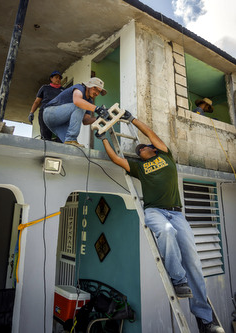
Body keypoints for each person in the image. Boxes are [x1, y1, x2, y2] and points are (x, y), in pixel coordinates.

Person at [95, 111, 224, 333]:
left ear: (152, 149)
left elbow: (150, 133)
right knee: (166, 232)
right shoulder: (138, 168)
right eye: (137, 151)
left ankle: (204, 319)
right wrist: (104, 137)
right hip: (155, 211)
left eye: (141, 148)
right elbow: (116, 159)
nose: (138, 151)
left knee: (193, 260)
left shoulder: (165, 155)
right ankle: (178, 279)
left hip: (177, 213)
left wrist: (131, 118)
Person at [43, 77, 110, 147]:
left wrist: (99, 118)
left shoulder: (89, 101)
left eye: (99, 91)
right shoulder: (79, 88)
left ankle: (70, 139)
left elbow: (85, 121)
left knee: (72, 145)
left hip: (58, 124)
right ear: (88, 86)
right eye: (94, 89)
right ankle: (71, 138)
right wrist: (98, 109)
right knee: (80, 106)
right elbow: (77, 101)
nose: (96, 93)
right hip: (50, 113)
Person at [28, 71, 65, 141]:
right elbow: (37, 101)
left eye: (59, 78)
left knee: (61, 137)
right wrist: (31, 113)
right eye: (56, 77)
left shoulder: (63, 90)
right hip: (44, 112)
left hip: (58, 113)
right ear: (51, 78)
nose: (58, 79)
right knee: (45, 136)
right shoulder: (45, 88)